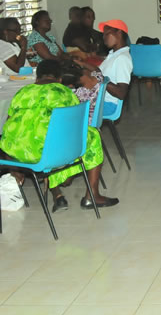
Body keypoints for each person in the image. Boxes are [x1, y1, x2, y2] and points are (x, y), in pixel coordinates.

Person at [0, 60, 117, 211]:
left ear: (37, 78)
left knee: (41, 136)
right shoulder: (65, 93)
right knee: (92, 134)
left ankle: (57, 193)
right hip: (48, 154)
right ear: (60, 79)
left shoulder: (22, 92)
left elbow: (9, 124)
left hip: (16, 155)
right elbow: (75, 126)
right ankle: (92, 195)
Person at [75, 19, 133, 109]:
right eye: (103, 35)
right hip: (99, 100)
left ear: (119, 33)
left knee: (66, 104)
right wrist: (82, 64)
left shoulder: (122, 58)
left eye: (107, 34)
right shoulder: (113, 55)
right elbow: (99, 72)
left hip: (107, 104)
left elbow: (121, 93)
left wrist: (99, 79)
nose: (104, 38)